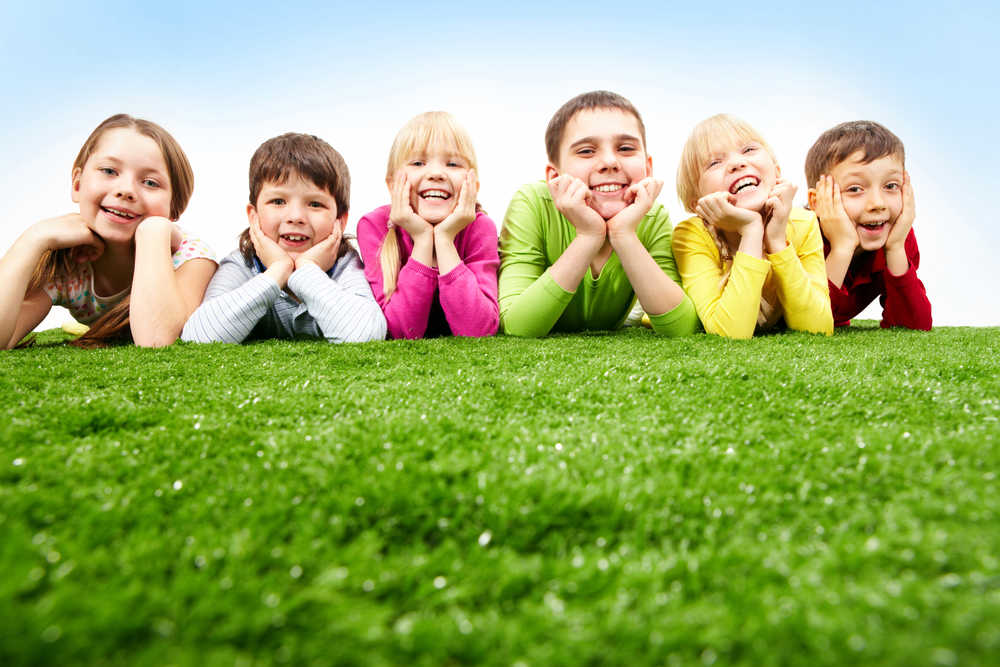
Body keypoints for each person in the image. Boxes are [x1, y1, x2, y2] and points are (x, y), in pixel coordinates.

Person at [0, 114, 217, 349]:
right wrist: (34, 238)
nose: (125, 190)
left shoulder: (191, 257)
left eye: (150, 183)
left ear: (174, 207)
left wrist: (153, 233)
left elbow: (158, 340)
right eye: (109, 171)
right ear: (77, 184)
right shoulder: (67, 260)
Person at [498, 90, 699, 338]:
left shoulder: (653, 216)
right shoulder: (531, 203)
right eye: (586, 151)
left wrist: (623, 234)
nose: (609, 161)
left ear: (647, 168)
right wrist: (588, 236)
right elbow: (517, 328)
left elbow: (683, 328)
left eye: (625, 148)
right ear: (554, 177)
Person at [181, 133, 386, 344]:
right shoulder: (241, 264)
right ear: (254, 216)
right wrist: (278, 269)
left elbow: (367, 335)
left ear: (340, 222)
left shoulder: (345, 265)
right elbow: (198, 337)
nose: (296, 217)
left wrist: (308, 269)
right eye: (278, 201)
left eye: (315, 204)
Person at [672, 113, 833, 339]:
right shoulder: (690, 234)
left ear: (776, 171)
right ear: (697, 203)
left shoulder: (804, 224)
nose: (737, 163)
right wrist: (751, 230)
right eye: (714, 163)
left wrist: (776, 242)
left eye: (748, 150)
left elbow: (818, 329)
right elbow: (730, 334)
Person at [357, 112, 499, 339]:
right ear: (393, 185)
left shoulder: (480, 229)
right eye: (418, 162)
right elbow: (400, 332)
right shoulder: (374, 226)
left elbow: (478, 331)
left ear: (472, 186)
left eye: (453, 164)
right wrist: (423, 239)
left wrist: (443, 239)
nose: (435, 173)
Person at [805, 121, 931, 330]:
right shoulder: (799, 236)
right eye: (855, 189)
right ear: (817, 201)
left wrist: (896, 249)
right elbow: (806, 325)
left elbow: (914, 327)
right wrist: (842, 247)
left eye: (891, 186)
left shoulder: (898, 236)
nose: (878, 204)